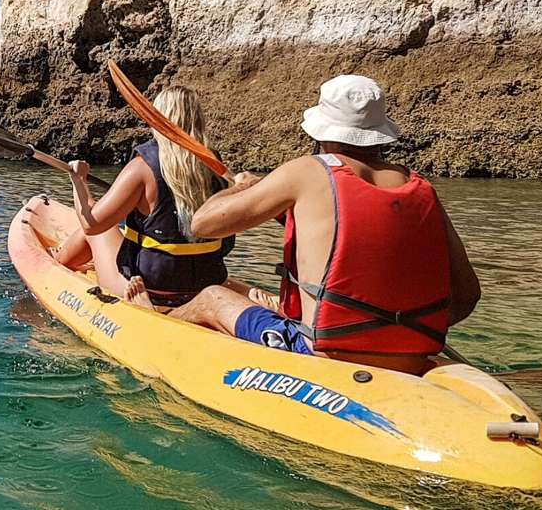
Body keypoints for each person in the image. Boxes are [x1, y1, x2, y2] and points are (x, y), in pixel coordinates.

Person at [172, 75, 481, 375]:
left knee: (211, 297)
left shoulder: (307, 171)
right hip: (410, 357)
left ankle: (149, 330)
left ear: (323, 133)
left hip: (323, 352)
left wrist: (242, 187)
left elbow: (203, 224)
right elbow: (467, 295)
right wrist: (394, 333)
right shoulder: (420, 187)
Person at [55, 87, 243, 309]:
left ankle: (55, 267)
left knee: (101, 230)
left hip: (149, 289)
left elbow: (91, 224)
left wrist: (79, 181)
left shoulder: (142, 169)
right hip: (206, 283)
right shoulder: (217, 169)